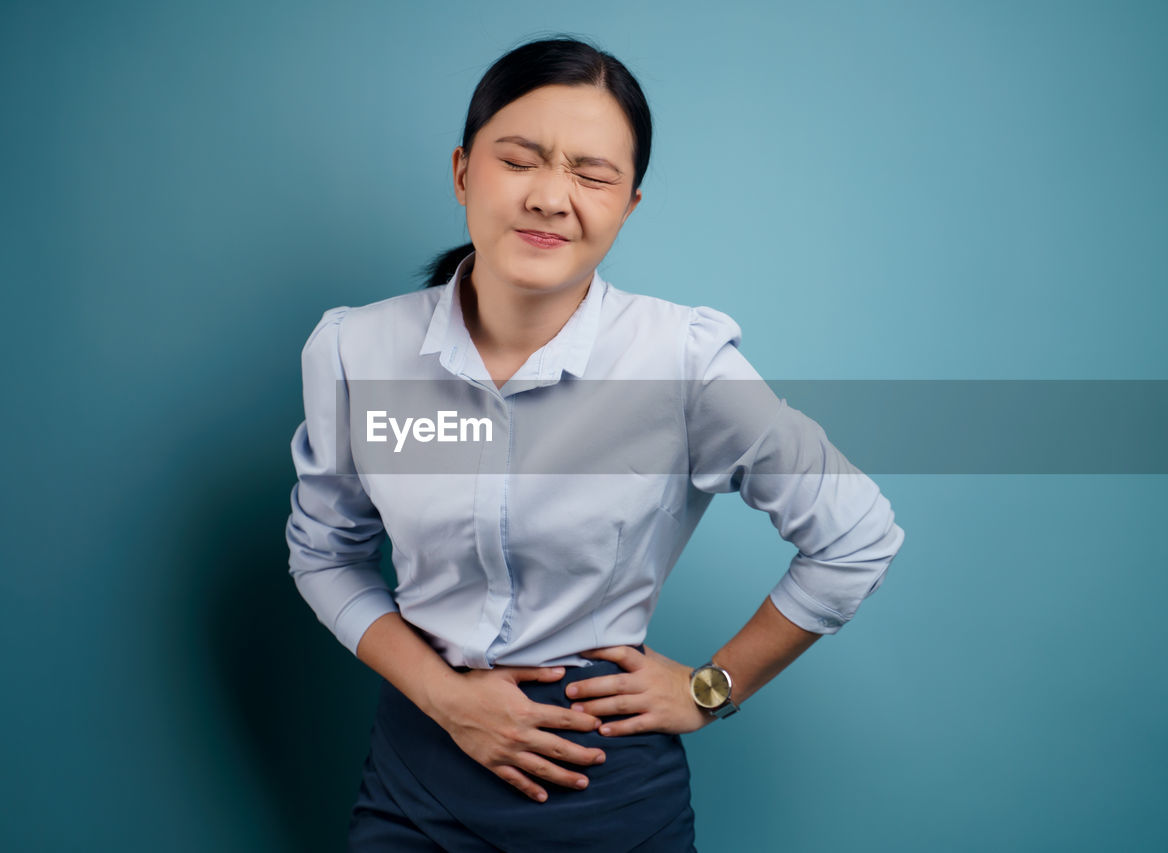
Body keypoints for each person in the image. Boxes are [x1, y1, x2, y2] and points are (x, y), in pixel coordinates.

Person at [285, 35, 905, 852]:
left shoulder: (679, 362)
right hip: (415, 779)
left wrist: (712, 688)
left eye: (591, 173)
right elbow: (325, 553)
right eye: (522, 159)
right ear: (464, 170)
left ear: (629, 205)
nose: (551, 196)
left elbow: (855, 534)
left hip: (605, 793)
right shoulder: (353, 352)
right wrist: (446, 697)